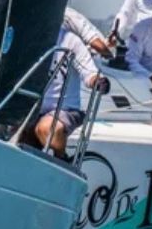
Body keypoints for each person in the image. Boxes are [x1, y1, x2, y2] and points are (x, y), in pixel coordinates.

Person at [35, 27, 107, 156]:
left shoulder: (70, 40)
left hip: (65, 110)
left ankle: (62, 162)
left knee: (46, 128)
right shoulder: (25, 37)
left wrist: (97, 81)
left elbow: (89, 72)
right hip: (30, 110)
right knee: (19, 137)